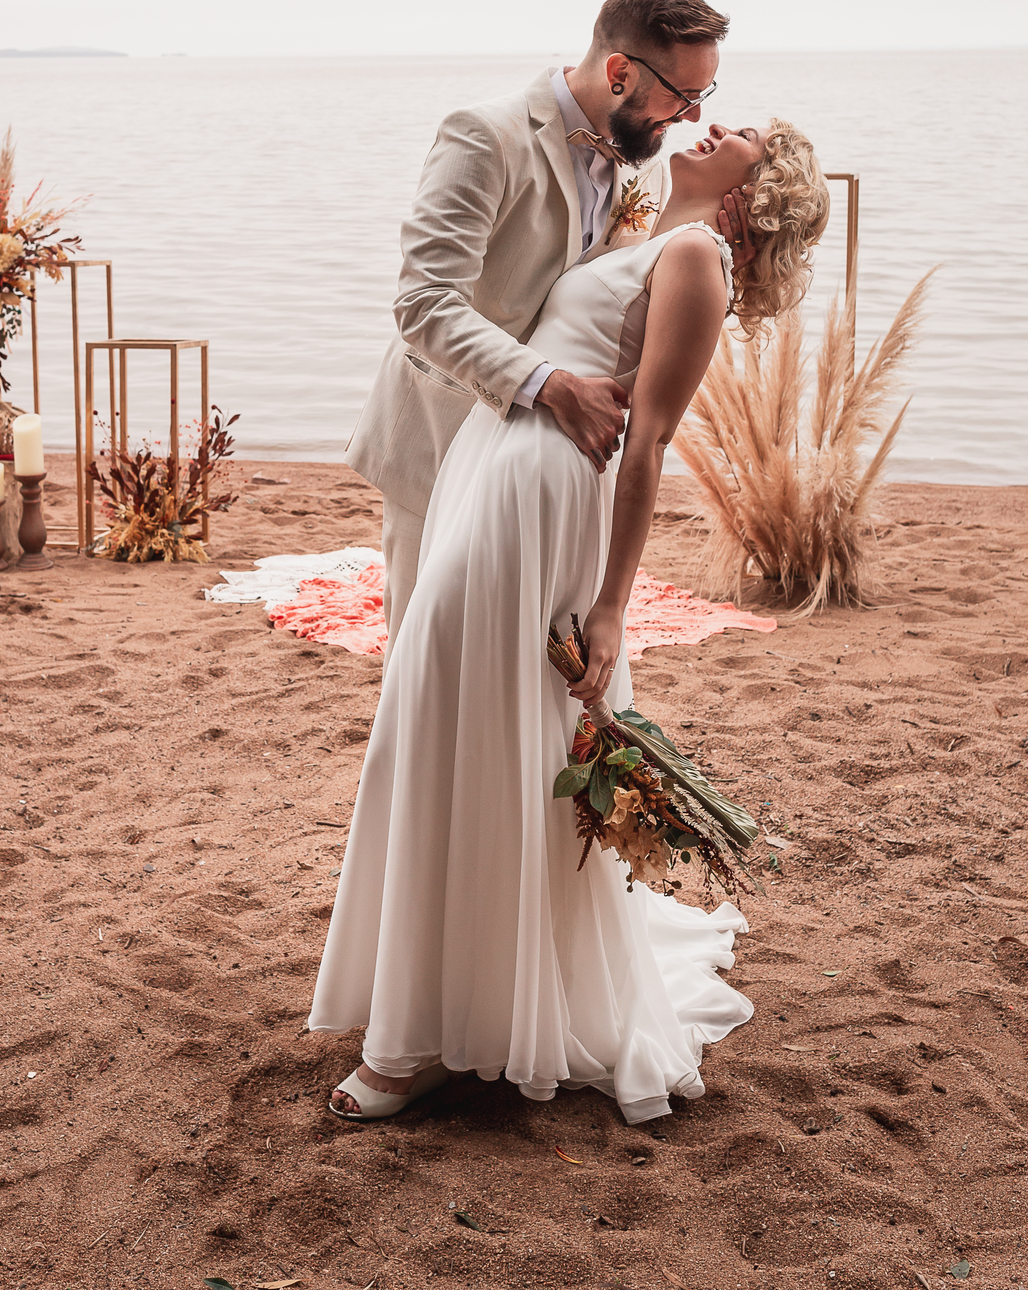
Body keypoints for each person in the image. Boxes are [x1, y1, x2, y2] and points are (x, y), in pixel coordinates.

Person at [311, 111, 830, 1124]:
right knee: (439, 721)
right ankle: (440, 993)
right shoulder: (647, 230)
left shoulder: (696, 258)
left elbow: (646, 449)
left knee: (467, 724)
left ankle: (418, 1042)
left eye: (740, 132)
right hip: (490, 467)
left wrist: (610, 609)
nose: (713, 122)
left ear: (748, 191)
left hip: (541, 495)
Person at [345, 0, 756, 653]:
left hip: (548, 467)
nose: (689, 118)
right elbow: (423, 303)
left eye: (702, 97)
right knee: (427, 653)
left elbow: (626, 289)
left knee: (518, 661)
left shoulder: (646, 167)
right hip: (444, 433)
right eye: (682, 95)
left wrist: (722, 238)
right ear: (620, 71)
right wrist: (552, 386)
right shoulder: (485, 136)